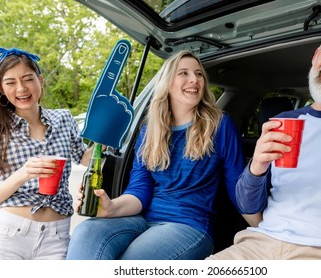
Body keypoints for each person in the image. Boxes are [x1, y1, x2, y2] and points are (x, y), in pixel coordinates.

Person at [207, 11, 321, 260]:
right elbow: (248, 207)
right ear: (315, 57)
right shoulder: (285, 121)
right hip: (260, 244)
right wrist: (256, 167)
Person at [66, 50, 248, 260]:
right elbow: (139, 189)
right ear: (167, 83)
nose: (194, 79)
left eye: (199, 74)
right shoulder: (150, 130)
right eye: (184, 73)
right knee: (85, 232)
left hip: (189, 225)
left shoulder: (219, 125)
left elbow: (239, 187)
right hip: (142, 219)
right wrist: (110, 208)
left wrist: (264, 226)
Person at [0, 47, 92, 260]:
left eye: (28, 79)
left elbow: (85, 158)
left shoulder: (63, 119)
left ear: (40, 80)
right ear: (2, 89)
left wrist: (106, 135)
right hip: (9, 234)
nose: (21, 88)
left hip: (56, 236)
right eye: (11, 82)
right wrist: (23, 174)